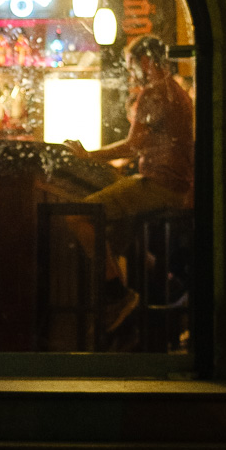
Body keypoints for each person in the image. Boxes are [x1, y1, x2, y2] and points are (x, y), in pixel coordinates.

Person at [64, 34, 194, 337]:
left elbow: (132, 146)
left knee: (78, 215)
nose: (130, 73)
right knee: (117, 233)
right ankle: (157, 289)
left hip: (160, 185)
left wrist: (89, 155)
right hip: (177, 188)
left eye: (131, 65)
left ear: (145, 61)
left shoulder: (154, 92)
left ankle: (118, 297)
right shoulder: (176, 91)